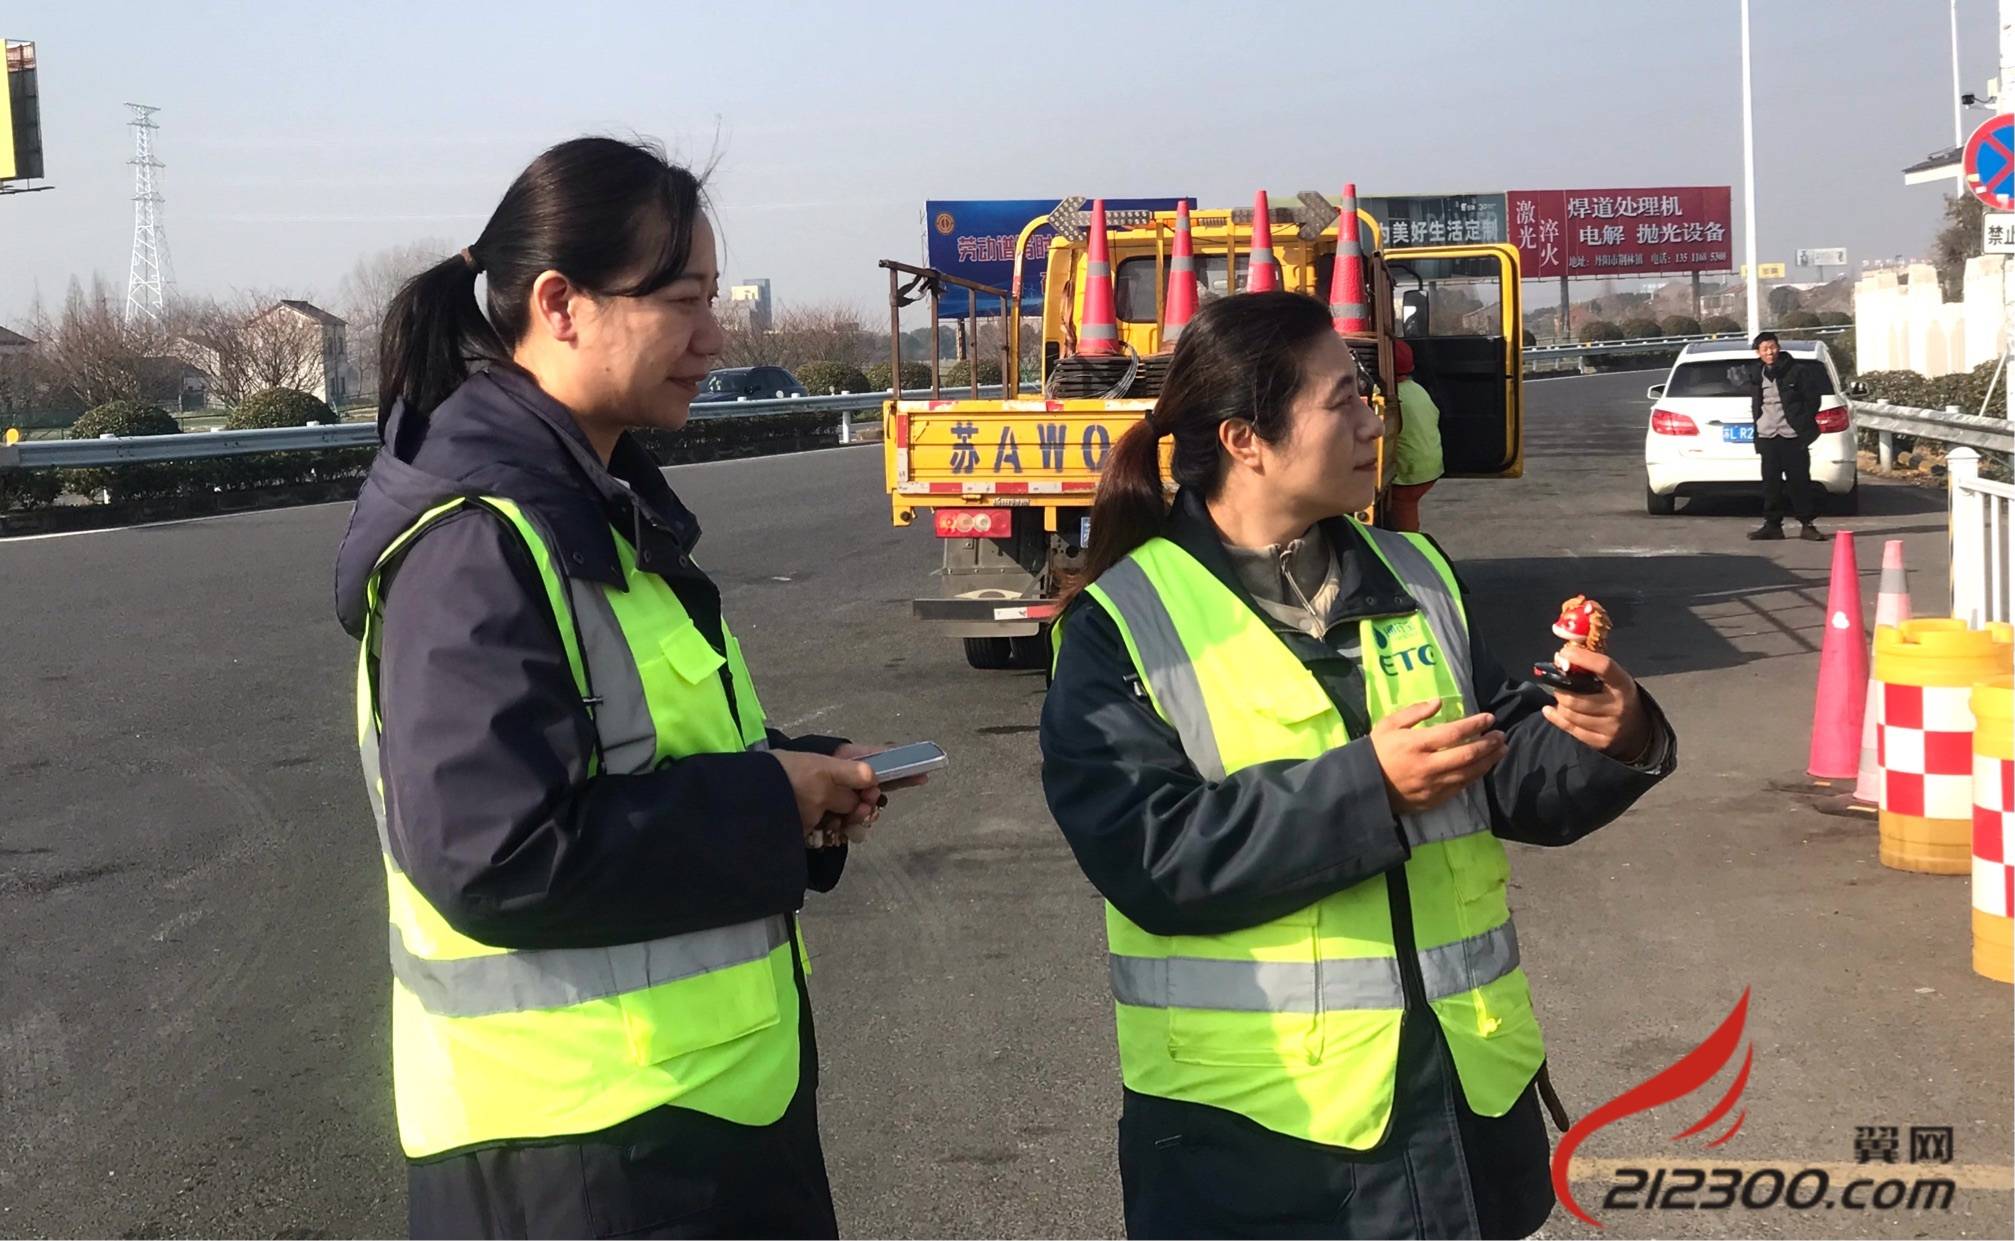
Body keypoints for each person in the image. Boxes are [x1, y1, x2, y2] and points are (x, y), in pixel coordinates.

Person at [334, 136, 903, 1239]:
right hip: (580, 1162)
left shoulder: (597, 507)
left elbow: (646, 751)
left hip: (692, 1129)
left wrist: (797, 776)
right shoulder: (476, 542)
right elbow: (495, 853)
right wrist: (766, 801)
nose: (713, 336)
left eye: (713, 299)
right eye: (682, 301)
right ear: (561, 303)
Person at [1039, 292, 1678, 1239]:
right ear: (1246, 439)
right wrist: (1368, 788)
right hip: (1261, 1138)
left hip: (1458, 1101)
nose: (1376, 424)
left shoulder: (1417, 573)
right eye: (1343, 401)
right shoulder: (1121, 624)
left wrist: (1610, 734)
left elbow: (1504, 767)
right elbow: (1149, 856)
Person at [1740, 331, 1824, 541]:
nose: (1770, 352)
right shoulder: (1755, 373)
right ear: (1758, 352)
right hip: (1767, 435)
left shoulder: (1797, 371)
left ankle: (1807, 524)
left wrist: (1802, 421)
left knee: (1799, 482)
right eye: (1765, 349)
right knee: (1771, 484)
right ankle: (1773, 525)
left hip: (1792, 435)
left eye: (1773, 347)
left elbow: (1813, 399)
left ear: (1778, 348)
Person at [1383, 338, 1442, 533]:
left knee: (1405, 528)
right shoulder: (1417, 389)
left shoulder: (1391, 397)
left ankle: (1409, 546)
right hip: (1430, 467)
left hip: (1409, 475)